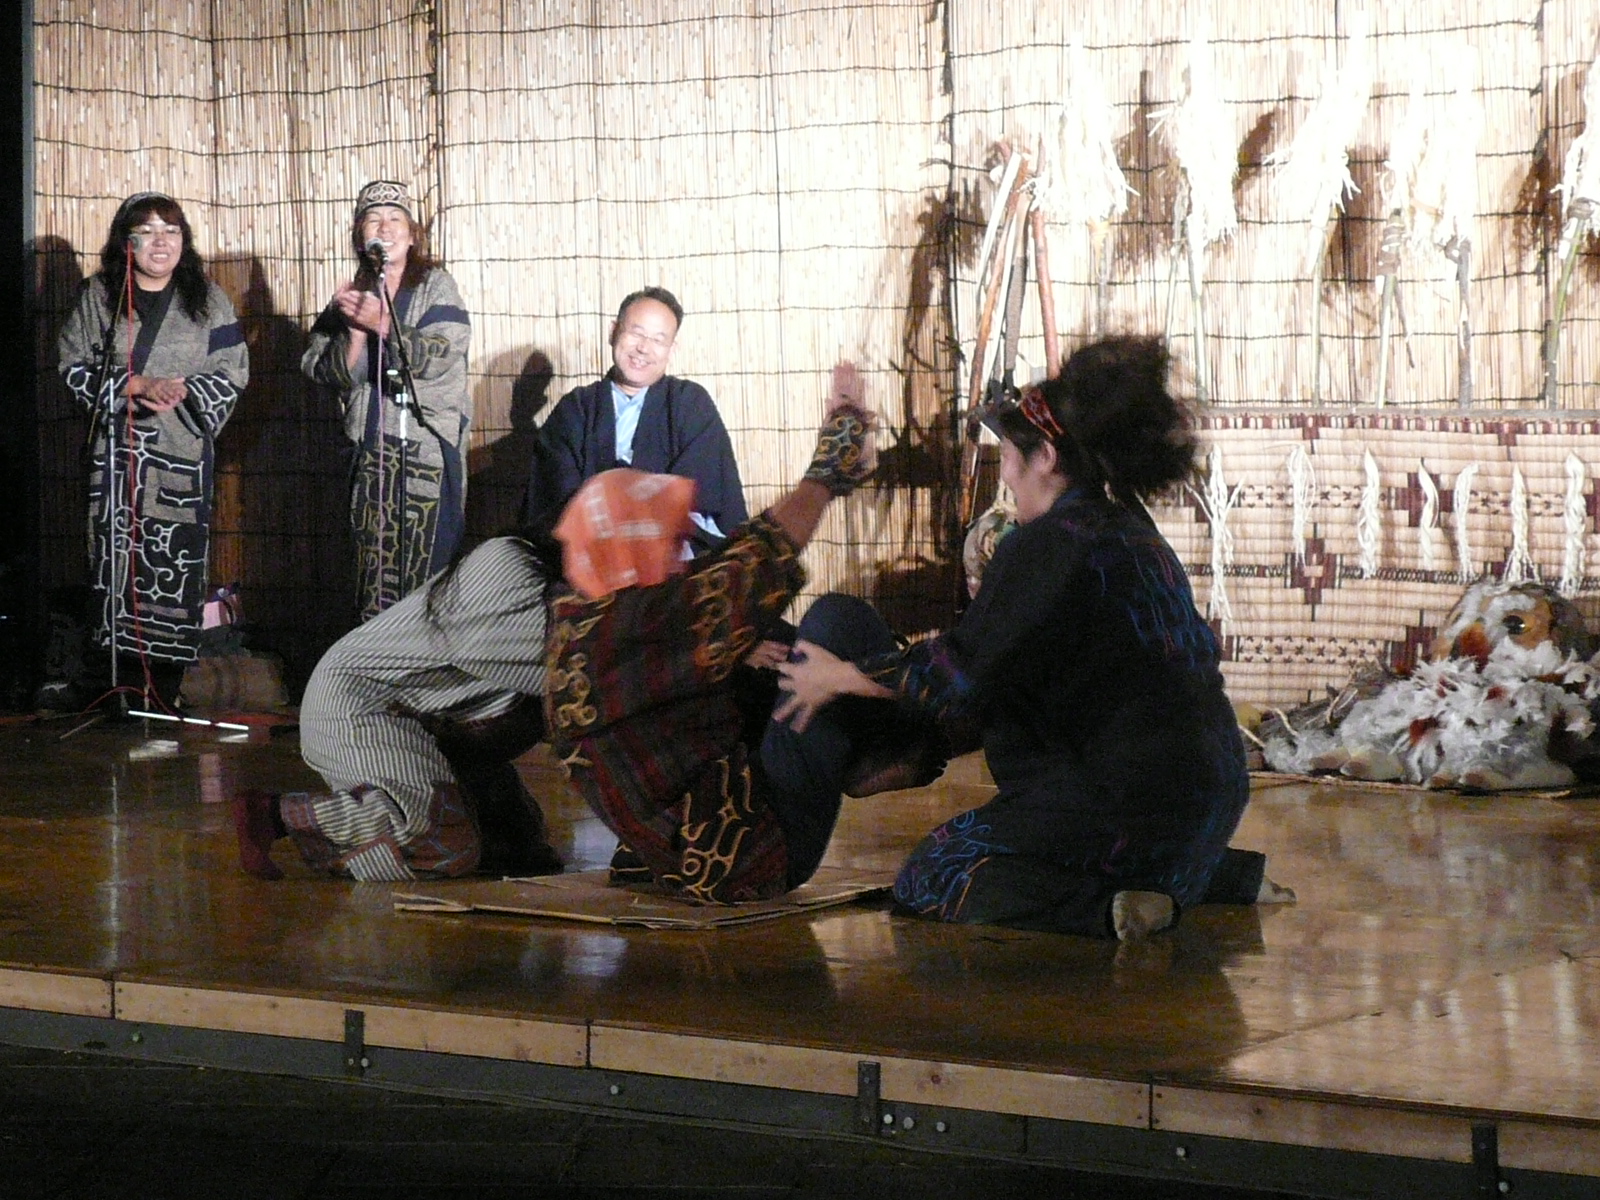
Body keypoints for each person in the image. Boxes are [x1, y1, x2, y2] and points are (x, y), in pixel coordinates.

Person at [232, 369, 875, 889]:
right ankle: (288, 818)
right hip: (364, 705)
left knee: (520, 855)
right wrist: (716, 646)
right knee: (443, 843)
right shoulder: (513, 577)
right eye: (664, 546)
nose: (676, 562)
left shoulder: (590, 610)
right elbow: (613, 657)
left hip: (450, 724)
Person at [775, 337, 1273, 940]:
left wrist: (837, 677)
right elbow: (1020, 679)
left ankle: (1111, 909)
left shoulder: (1049, 544)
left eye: (1009, 454)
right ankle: (1214, 875)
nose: (1004, 471)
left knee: (935, 875)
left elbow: (959, 673)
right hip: (1212, 796)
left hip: (1125, 802)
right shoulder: (1134, 531)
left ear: (1045, 459)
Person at [57, 191, 250, 699]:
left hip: (178, 458)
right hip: (116, 461)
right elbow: (71, 365)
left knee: (173, 569)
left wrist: (185, 392)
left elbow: (233, 370)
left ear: (184, 241)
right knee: (113, 568)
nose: (160, 242)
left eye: (171, 231)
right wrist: (134, 386)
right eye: (146, 232)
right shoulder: (98, 297)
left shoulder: (208, 300)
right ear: (126, 243)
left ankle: (164, 689)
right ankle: (114, 689)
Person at [303, 181, 472, 621]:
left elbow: (442, 354)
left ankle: (424, 663)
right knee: (370, 577)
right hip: (370, 454)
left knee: (428, 580)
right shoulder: (353, 296)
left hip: (425, 452)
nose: (385, 227)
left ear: (412, 235)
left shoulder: (437, 288)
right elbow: (322, 369)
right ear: (360, 236)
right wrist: (356, 330)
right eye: (374, 219)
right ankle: (373, 662)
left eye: (396, 219)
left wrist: (382, 322)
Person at [524, 287, 747, 557]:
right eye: (636, 333)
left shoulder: (690, 403)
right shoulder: (576, 408)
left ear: (671, 349)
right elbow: (555, 498)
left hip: (671, 558)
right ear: (613, 331)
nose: (643, 348)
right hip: (587, 556)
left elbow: (703, 497)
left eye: (658, 340)